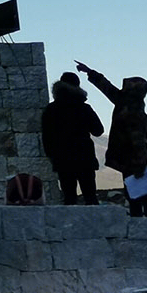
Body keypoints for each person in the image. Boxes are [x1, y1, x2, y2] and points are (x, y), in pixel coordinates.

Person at [76, 60, 147, 217]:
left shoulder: (134, 113)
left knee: (138, 195)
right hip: (127, 159)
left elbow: (139, 141)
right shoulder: (125, 104)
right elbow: (107, 88)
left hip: (132, 160)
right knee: (136, 194)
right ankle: (142, 219)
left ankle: (143, 222)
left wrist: (139, 164)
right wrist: (90, 72)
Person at [40, 71, 103, 205]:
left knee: (69, 198)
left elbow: (46, 137)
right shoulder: (84, 108)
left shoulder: (51, 110)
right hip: (84, 157)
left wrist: (52, 156)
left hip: (62, 159)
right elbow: (98, 130)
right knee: (90, 196)